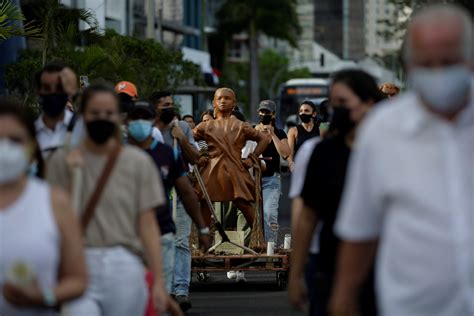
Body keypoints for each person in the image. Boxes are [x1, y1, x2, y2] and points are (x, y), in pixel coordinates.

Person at [329, 5, 474, 316]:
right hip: (412, 306)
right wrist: (344, 297)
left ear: (469, 59)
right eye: (426, 64)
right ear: (409, 67)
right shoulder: (383, 131)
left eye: (448, 62)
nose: (438, 73)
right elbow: (360, 227)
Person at [47, 84, 169, 316]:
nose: (101, 118)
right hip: (77, 263)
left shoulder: (137, 162)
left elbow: (147, 224)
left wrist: (158, 281)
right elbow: (54, 219)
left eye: (108, 113)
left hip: (124, 263)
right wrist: (74, 178)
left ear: (118, 117)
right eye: (94, 113)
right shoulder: (61, 160)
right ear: (82, 116)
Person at [288, 69, 386, 315]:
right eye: (333, 104)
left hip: (384, 269)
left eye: (344, 103)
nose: (336, 111)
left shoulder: (390, 151)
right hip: (329, 266)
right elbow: (307, 216)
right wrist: (296, 274)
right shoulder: (321, 152)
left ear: (369, 104)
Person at [0, 98, 86, 315]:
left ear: (31, 147)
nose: (5, 148)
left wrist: (43, 297)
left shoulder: (54, 202)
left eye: (15, 140)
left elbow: (78, 279)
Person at [126, 100, 211, 292]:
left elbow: (186, 192)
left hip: (162, 230)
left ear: (153, 121)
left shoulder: (166, 153)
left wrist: (202, 228)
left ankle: (178, 291)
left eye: (145, 118)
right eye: (135, 118)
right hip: (129, 237)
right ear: (128, 122)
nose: (140, 123)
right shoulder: (117, 154)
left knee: (160, 293)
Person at [193, 88, 269, 239]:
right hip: (212, 170)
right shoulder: (206, 126)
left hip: (235, 170)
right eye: (219, 98)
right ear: (214, 103)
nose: (223, 101)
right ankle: (204, 243)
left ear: (233, 103)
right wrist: (198, 156)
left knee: (244, 204)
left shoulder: (241, 125)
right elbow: (187, 139)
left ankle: (259, 239)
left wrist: (252, 158)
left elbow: (264, 139)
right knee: (205, 204)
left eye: (227, 98)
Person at [150, 91, 200, 311]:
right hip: (157, 194)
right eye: (164, 105)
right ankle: (165, 289)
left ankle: (181, 291)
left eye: (171, 104)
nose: (169, 108)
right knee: (162, 242)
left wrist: (180, 137)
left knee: (181, 242)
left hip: (181, 192)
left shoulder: (183, 128)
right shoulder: (147, 130)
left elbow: (195, 158)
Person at [254, 100, 290, 243]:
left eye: (267, 112)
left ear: (273, 114)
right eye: (262, 112)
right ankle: (255, 245)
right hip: (253, 179)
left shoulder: (280, 132)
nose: (264, 115)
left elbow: (286, 154)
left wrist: (273, 134)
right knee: (253, 215)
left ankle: (271, 248)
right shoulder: (252, 130)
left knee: (269, 214)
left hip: (272, 179)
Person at [34, 63, 79, 159]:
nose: (53, 93)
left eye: (59, 88)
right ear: (38, 91)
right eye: (46, 88)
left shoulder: (82, 127)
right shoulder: (28, 131)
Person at [287, 101, 320, 172]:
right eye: (301, 111)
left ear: (314, 114)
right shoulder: (293, 131)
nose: (303, 113)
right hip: (300, 170)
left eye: (306, 111)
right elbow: (290, 153)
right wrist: (291, 164)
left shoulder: (321, 129)